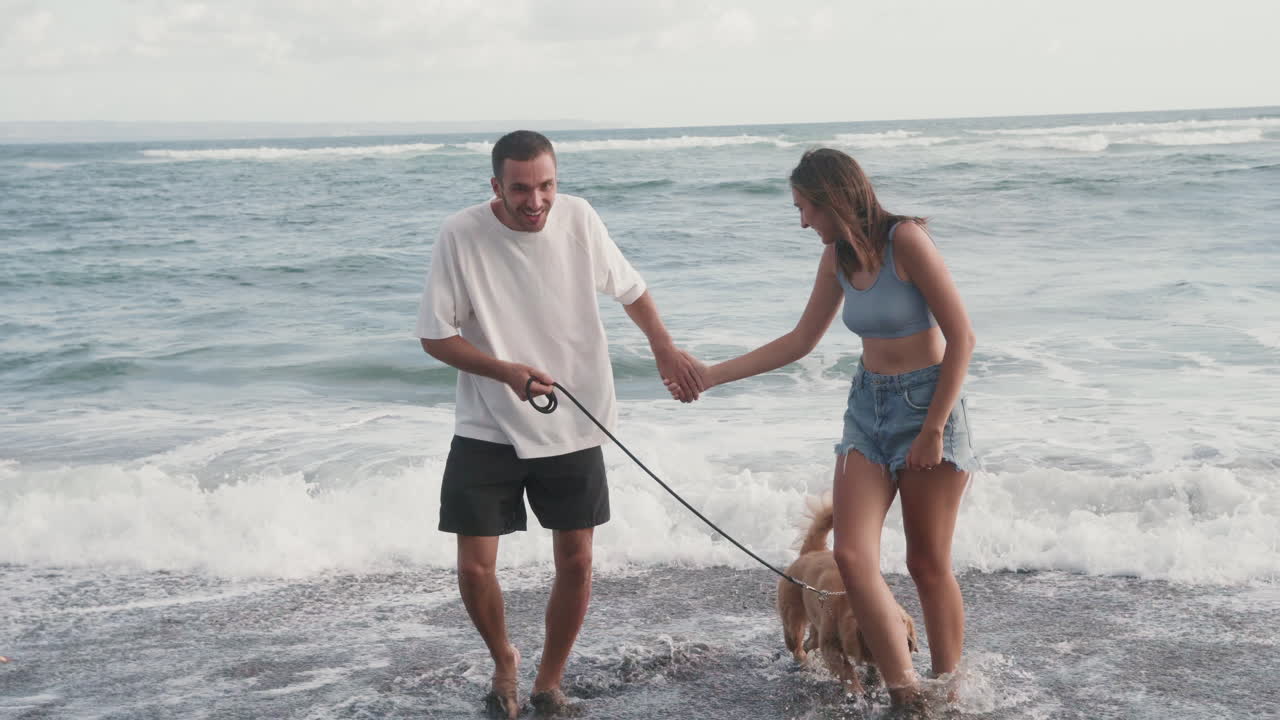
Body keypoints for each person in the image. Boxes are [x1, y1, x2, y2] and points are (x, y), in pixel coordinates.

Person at [669, 148, 978, 708]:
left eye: (806, 208)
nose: (803, 221)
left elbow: (963, 338)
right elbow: (799, 341)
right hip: (867, 409)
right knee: (855, 560)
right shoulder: (835, 258)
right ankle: (905, 693)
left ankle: (950, 691)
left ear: (833, 198)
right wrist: (713, 377)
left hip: (927, 407)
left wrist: (933, 428)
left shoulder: (904, 240)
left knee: (926, 564)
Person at [416, 130, 703, 718]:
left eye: (546, 185)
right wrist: (506, 372)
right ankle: (504, 660)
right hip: (487, 423)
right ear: (496, 186)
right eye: (521, 189)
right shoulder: (460, 234)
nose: (536, 201)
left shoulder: (579, 218)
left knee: (575, 560)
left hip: (574, 416)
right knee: (474, 567)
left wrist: (664, 350)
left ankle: (549, 681)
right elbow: (435, 336)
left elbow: (632, 289)